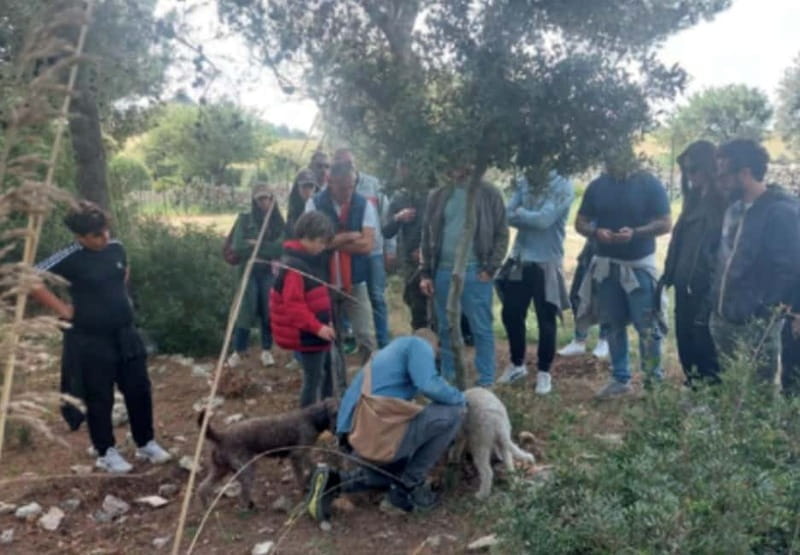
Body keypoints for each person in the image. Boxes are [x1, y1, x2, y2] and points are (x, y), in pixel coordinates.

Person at [31, 201, 171, 473]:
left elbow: (124, 271)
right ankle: (106, 451)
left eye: (106, 231)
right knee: (99, 395)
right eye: (96, 235)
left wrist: (118, 300)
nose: (104, 237)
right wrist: (63, 309)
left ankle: (145, 442)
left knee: (139, 389)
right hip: (91, 338)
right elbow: (31, 278)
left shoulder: (116, 248)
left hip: (125, 333)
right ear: (80, 236)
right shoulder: (70, 256)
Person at [305, 329, 465, 516]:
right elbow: (429, 385)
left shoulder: (388, 352)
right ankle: (409, 488)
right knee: (454, 412)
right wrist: (461, 397)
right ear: (434, 347)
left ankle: (333, 481)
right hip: (371, 429)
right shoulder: (418, 344)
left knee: (399, 469)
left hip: (354, 436)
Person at [575, 145, 672, 398]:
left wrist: (636, 233)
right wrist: (595, 232)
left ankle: (653, 382)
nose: (611, 165)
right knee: (612, 324)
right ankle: (620, 378)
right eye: (608, 161)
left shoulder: (649, 184)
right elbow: (580, 221)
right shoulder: (597, 186)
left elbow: (665, 223)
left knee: (647, 327)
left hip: (638, 266)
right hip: (607, 266)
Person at [709, 139, 800, 385]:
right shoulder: (734, 208)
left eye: (724, 174)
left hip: (756, 323)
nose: (719, 180)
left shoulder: (781, 212)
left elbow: (791, 268)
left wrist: (763, 311)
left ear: (745, 173)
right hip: (723, 315)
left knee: (758, 390)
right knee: (731, 384)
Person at [419, 167, 509, 387]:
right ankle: (448, 377)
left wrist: (491, 268)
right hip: (443, 271)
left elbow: (502, 233)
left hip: (476, 271)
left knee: (481, 327)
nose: (458, 166)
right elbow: (427, 235)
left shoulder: (489, 193)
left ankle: (485, 380)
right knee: (445, 328)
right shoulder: (438, 195)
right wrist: (426, 272)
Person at [497, 170, 574, 395]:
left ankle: (544, 372)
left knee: (546, 318)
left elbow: (543, 221)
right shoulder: (525, 181)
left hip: (546, 262)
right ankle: (517, 364)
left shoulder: (562, 186)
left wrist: (521, 213)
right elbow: (506, 215)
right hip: (520, 259)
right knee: (510, 313)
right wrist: (527, 215)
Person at [661, 141, 725, 386]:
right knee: (686, 346)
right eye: (686, 170)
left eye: (694, 169)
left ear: (708, 168)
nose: (690, 175)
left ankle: (709, 398)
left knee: (706, 350)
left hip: (706, 290)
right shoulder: (693, 201)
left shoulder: (722, 204)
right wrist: (668, 275)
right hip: (684, 286)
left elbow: (721, 253)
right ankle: (694, 389)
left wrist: (711, 290)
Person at [305, 160, 378, 364]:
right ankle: (334, 379)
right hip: (323, 280)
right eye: (344, 187)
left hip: (355, 280)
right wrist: (347, 237)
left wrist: (329, 243)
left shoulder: (364, 204)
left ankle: (370, 379)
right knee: (328, 337)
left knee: (366, 335)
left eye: (352, 186)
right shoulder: (314, 204)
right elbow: (311, 243)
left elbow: (366, 245)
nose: (349, 192)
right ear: (331, 182)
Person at [271, 211, 337, 406]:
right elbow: (294, 306)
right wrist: (318, 327)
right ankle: (306, 418)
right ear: (307, 237)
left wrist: (326, 322)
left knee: (328, 374)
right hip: (307, 333)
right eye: (321, 242)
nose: (323, 247)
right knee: (313, 379)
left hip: (318, 330)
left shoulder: (310, 260)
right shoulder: (295, 267)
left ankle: (327, 413)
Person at [333, 148, 394, 348]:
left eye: (348, 163)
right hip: (347, 253)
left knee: (377, 296)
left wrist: (390, 248)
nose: (346, 167)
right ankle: (352, 340)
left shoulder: (374, 184)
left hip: (374, 251)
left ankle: (383, 342)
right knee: (347, 293)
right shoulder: (332, 188)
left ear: (355, 163)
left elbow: (386, 217)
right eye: (340, 164)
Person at [227, 183, 285, 368]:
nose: (264, 202)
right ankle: (238, 350)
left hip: (268, 271)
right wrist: (263, 248)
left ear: (272, 199)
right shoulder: (244, 220)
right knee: (246, 309)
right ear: (254, 200)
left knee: (268, 310)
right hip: (248, 270)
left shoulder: (278, 222)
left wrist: (255, 245)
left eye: (267, 198)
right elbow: (238, 247)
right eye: (260, 199)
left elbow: (279, 248)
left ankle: (266, 350)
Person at [557, 238, 610, 359]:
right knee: (578, 295)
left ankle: (604, 340)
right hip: (590, 249)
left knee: (604, 298)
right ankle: (579, 340)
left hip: (609, 253)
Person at [286, 169, 320, 238]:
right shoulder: (294, 211)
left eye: (311, 186)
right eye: (304, 186)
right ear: (297, 188)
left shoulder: (322, 205)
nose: (308, 190)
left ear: (315, 188)